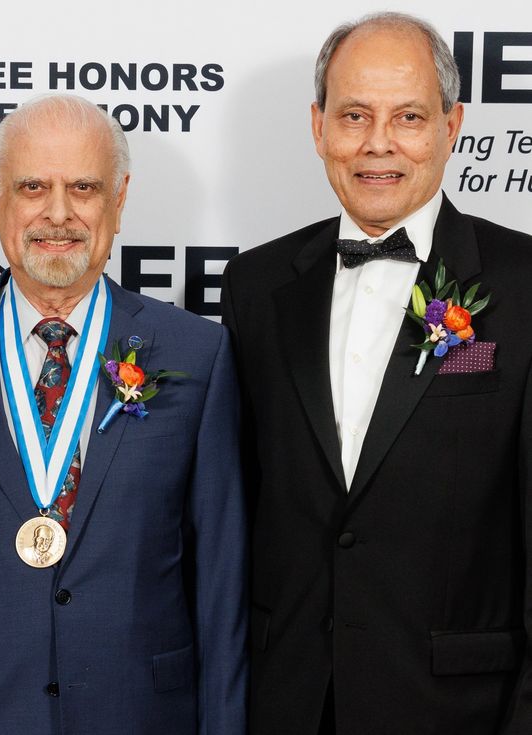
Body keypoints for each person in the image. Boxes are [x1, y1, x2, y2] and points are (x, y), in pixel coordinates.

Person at [0, 94, 246, 734]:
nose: (57, 213)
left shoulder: (199, 356)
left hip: (142, 717)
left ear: (118, 201)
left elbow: (222, 586)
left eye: (83, 188)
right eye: (32, 186)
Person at [221, 12, 532, 734]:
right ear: (318, 125)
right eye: (354, 114)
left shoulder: (524, 289)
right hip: (288, 702)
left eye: (409, 116)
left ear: (453, 126)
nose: (378, 142)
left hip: (461, 711)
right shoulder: (256, 285)